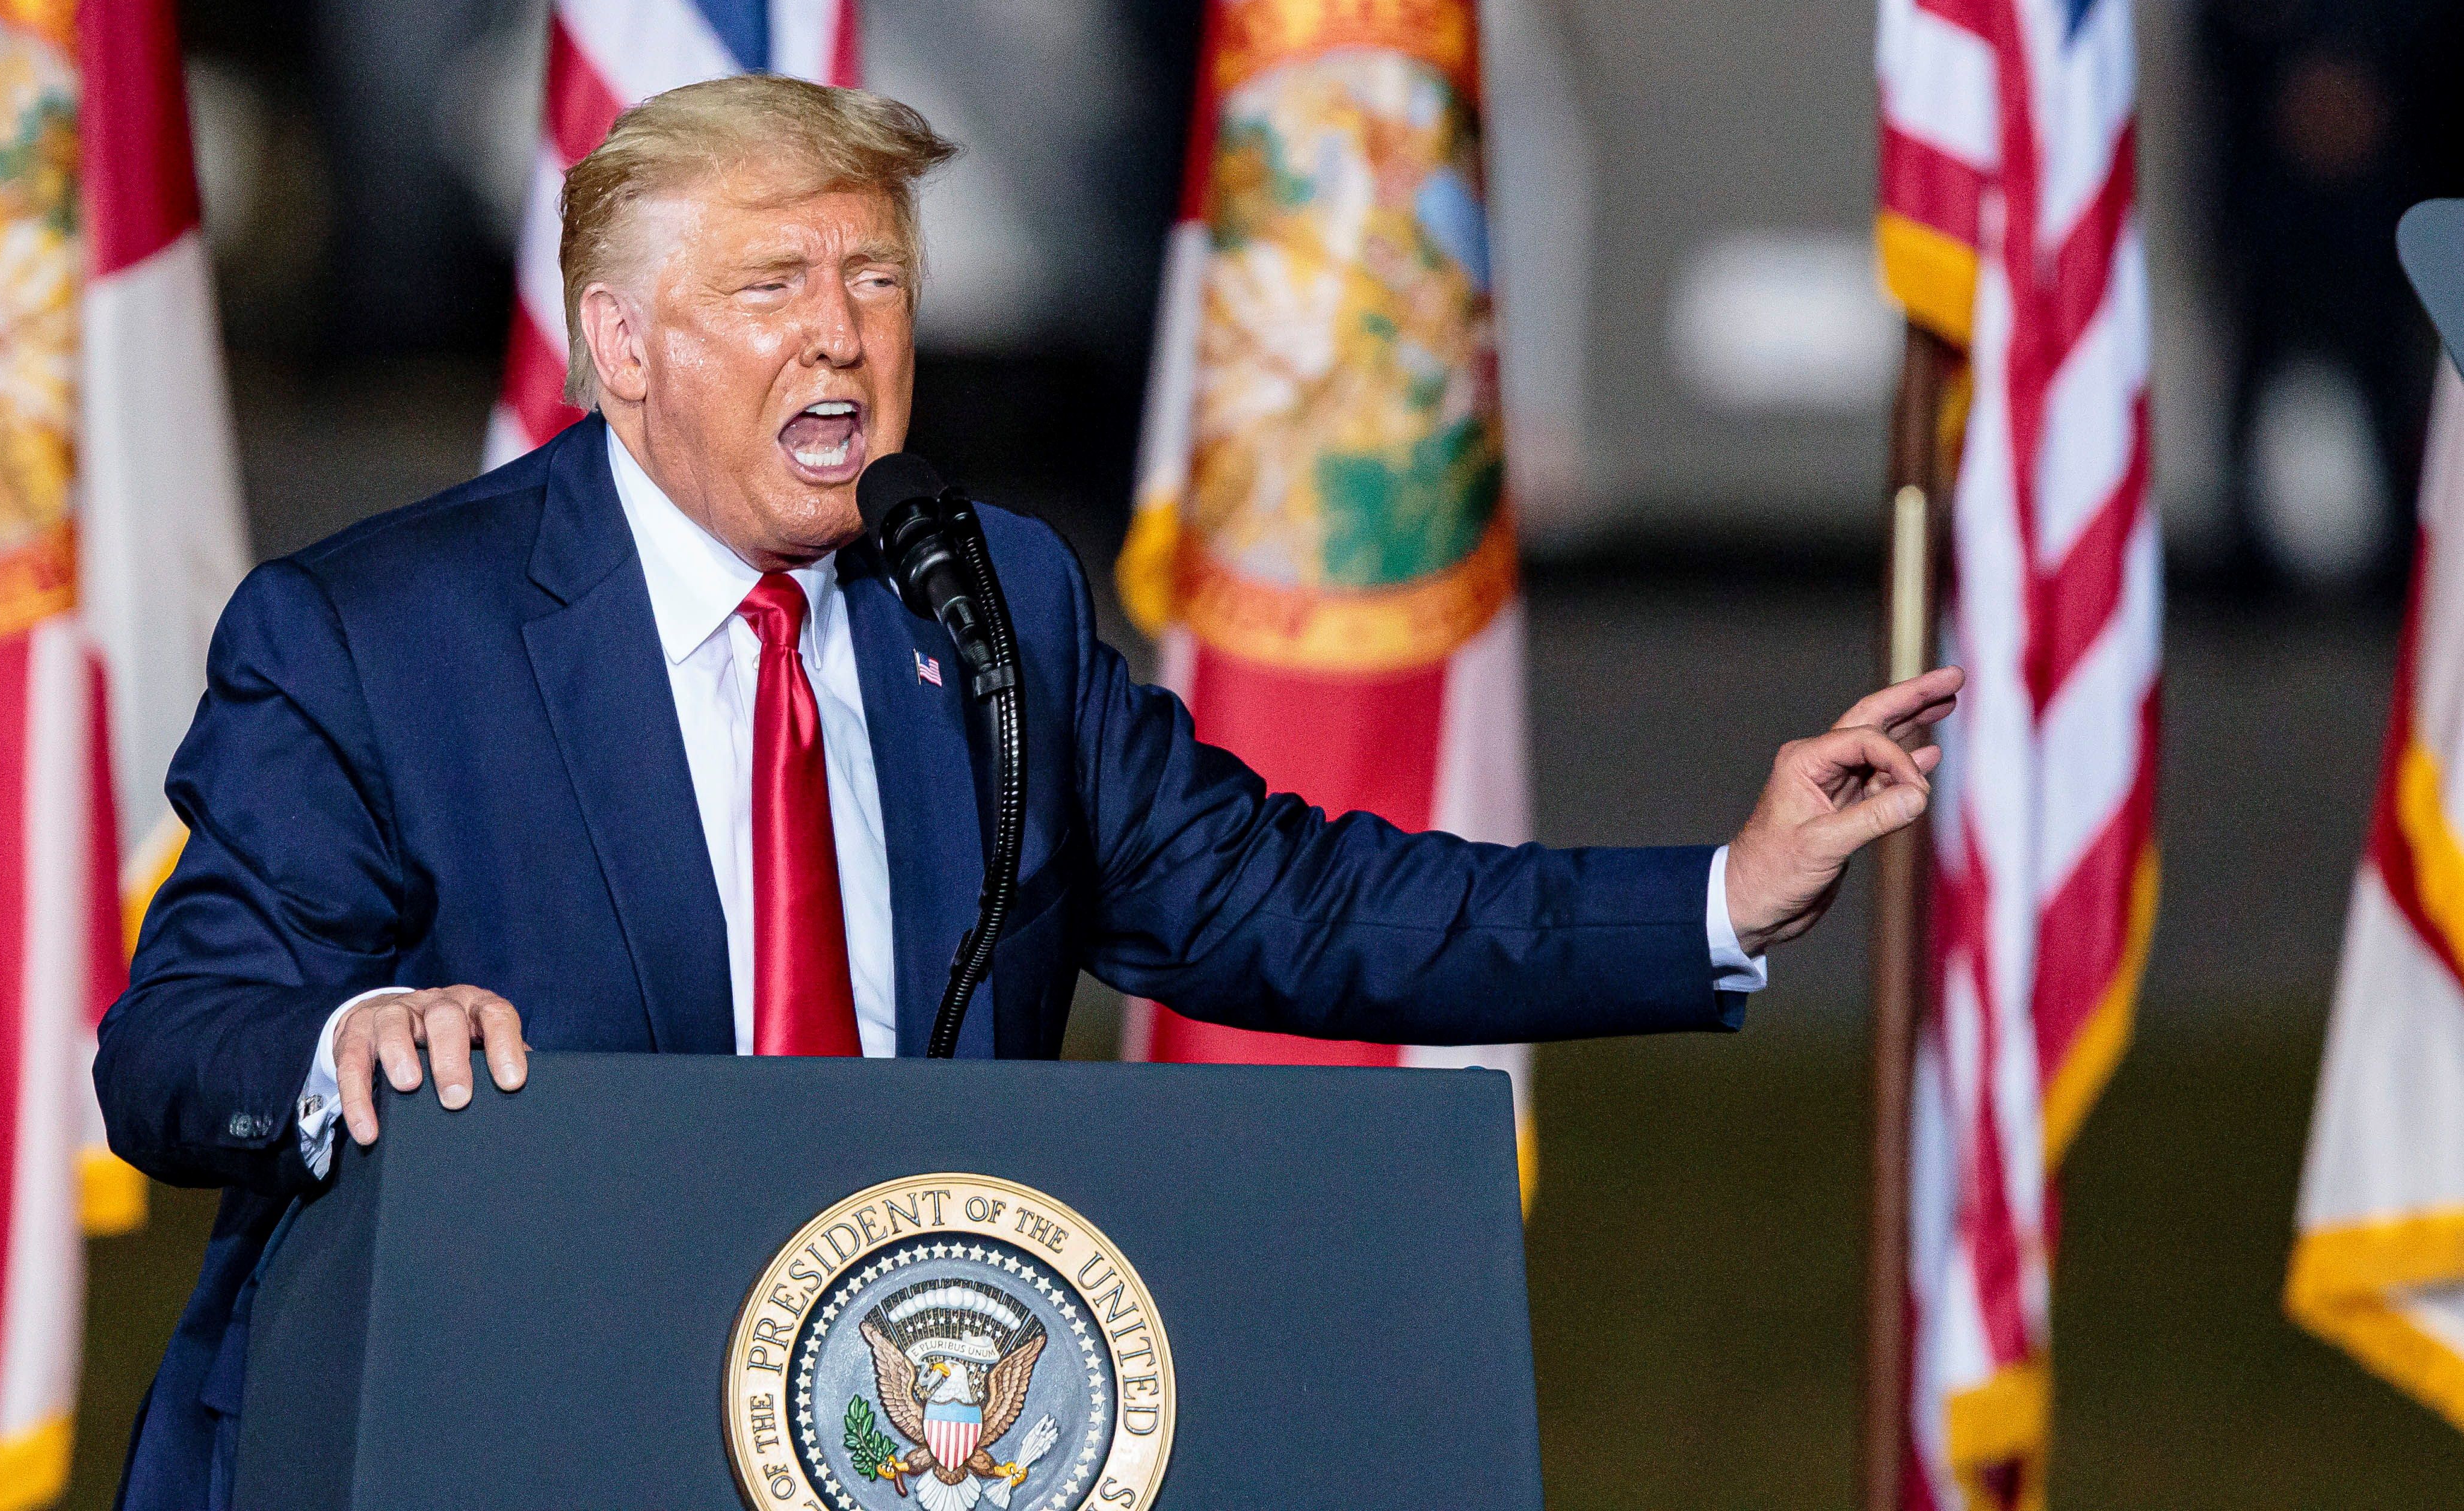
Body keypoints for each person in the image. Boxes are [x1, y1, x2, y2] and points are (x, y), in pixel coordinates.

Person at [95, 75, 1959, 1509]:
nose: (841, 333)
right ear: (624, 346)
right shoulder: (375, 633)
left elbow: (1280, 903)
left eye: (875, 279)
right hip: (495, 1430)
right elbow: (179, 1040)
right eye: (772, 285)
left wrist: (1725, 888)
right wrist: (351, 1038)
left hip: (892, 1435)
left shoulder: (982, 594)